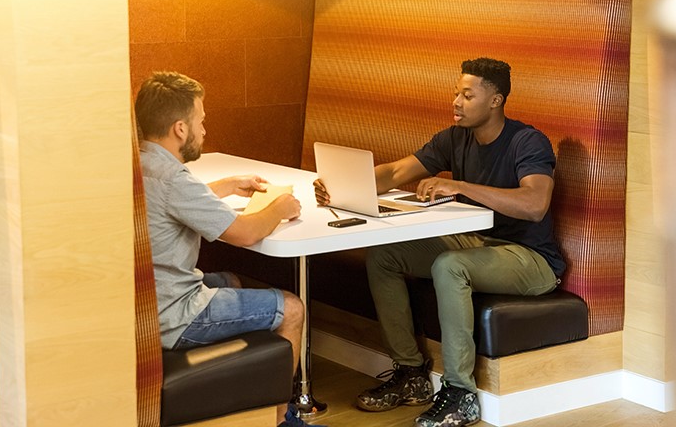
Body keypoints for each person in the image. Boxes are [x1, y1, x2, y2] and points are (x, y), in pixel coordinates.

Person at [314, 58, 565, 427]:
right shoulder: (455, 138)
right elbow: (398, 171)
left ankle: (461, 394)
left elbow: (534, 204)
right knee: (386, 255)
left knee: (449, 266)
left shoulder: (527, 141)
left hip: (529, 258)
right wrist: (342, 184)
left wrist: (460, 186)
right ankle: (412, 374)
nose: (456, 102)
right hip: (476, 241)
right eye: (456, 92)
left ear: (495, 101)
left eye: (467, 95)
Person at [135, 71, 325, 427]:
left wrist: (227, 185)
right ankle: (284, 419)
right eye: (200, 122)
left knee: (231, 280)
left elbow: (175, 200)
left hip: (145, 304)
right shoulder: (174, 178)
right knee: (291, 308)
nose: (204, 130)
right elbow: (245, 233)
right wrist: (280, 207)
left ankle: (246, 398)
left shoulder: (139, 163)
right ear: (180, 128)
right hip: (174, 314)